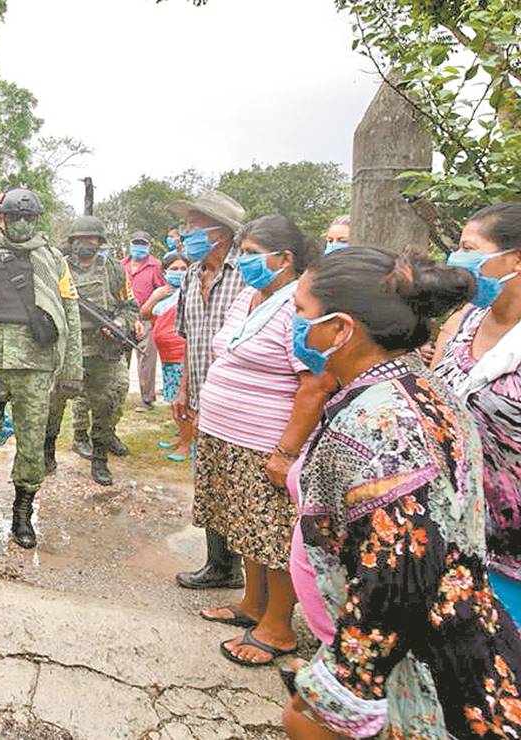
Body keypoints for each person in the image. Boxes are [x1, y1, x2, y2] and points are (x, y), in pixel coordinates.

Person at [283, 246, 521, 739]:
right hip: (454, 640)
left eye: (302, 313)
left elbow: (395, 581)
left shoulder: (379, 428)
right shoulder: (418, 386)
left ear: (341, 329)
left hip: (423, 676)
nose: (297, 326)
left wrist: (336, 699)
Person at [192, 216, 331, 667]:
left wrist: (287, 451)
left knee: (273, 536)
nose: (243, 261)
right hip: (227, 436)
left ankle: (278, 626)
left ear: (284, 259)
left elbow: (314, 384)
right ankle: (252, 605)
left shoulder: (297, 307)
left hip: (266, 442)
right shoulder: (252, 297)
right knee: (246, 528)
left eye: (252, 254)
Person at [0, 187, 82, 548]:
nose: (22, 223)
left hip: (34, 369)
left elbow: (69, 311)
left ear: (37, 220)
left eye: (29, 217)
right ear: (0, 218)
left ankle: (23, 514)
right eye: (15, 216)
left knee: (30, 443)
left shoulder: (54, 259)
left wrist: (72, 369)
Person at [433, 202, 521, 625]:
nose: (459, 261)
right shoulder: (468, 318)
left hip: (514, 551)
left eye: (470, 249)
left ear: (516, 259)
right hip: (457, 528)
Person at [168, 190, 248, 590]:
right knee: (210, 480)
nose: (187, 234)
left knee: (241, 484)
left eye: (195, 226)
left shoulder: (246, 275)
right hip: (202, 394)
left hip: (239, 402)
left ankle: (245, 568)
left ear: (221, 233)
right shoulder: (189, 275)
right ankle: (221, 565)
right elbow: (188, 337)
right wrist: (184, 389)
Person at [45, 215, 136, 487]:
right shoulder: (56, 269)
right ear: (71, 241)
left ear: (100, 242)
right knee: (53, 406)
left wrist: (119, 324)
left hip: (103, 352)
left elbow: (130, 306)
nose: (85, 244)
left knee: (107, 405)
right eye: (80, 239)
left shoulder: (114, 270)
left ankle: (99, 459)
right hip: (65, 352)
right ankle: (47, 454)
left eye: (91, 239)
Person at [141, 253, 191, 462]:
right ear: (165, 271)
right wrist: (155, 296)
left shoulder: (191, 293)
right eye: (174, 269)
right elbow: (144, 314)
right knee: (172, 399)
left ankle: (187, 444)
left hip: (182, 356)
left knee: (183, 401)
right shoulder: (164, 294)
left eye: (183, 269)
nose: (179, 273)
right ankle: (181, 437)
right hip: (167, 357)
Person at [122, 230, 166, 413]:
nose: (138, 247)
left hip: (147, 318)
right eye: (135, 243)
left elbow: (164, 291)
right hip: (124, 316)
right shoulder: (121, 265)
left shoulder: (156, 266)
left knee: (146, 359)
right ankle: (118, 395)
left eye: (142, 244)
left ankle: (147, 399)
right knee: (121, 357)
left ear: (149, 245)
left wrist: (151, 307)